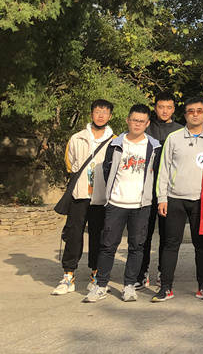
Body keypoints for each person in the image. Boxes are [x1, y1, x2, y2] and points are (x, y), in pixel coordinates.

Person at [83, 105, 161, 303]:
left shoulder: (154, 147)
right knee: (108, 245)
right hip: (116, 203)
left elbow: (157, 173)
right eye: (134, 120)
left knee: (137, 246)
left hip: (141, 205)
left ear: (147, 123)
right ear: (128, 120)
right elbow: (107, 169)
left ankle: (129, 285)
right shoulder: (116, 144)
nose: (137, 124)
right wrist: (112, 194)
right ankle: (101, 285)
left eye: (141, 121)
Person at [152, 97, 203, 302]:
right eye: (191, 111)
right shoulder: (174, 138)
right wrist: (162, 198)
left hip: (202, 200)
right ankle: (165, 287)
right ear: (184, 114)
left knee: (202, 244)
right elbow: (164, 169)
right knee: (170, 243)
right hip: (175, 198)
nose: (195, 114)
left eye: (199, 111)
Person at [52, 99, 115, 296]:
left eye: (105, 112)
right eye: (97, 111)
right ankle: (68, 275)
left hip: (101, 197)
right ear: (91, 114)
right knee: (73, 235)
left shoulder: (115, 141)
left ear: (110, 116)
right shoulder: (77, 138)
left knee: (98, 236)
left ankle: (95, 274)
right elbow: (70, 164)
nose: (101, 115)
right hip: (79, 195)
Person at [137, 91, 182, 290]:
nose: (165, 111)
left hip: (169, 191)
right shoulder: (146, 128)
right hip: (146, 189)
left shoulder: (180, 131)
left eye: (169, 107)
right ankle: (141, 272)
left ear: (174, 109)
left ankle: (164, 272)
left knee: (167, 234)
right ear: (155, 108)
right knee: (143, 234)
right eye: (161, 107)